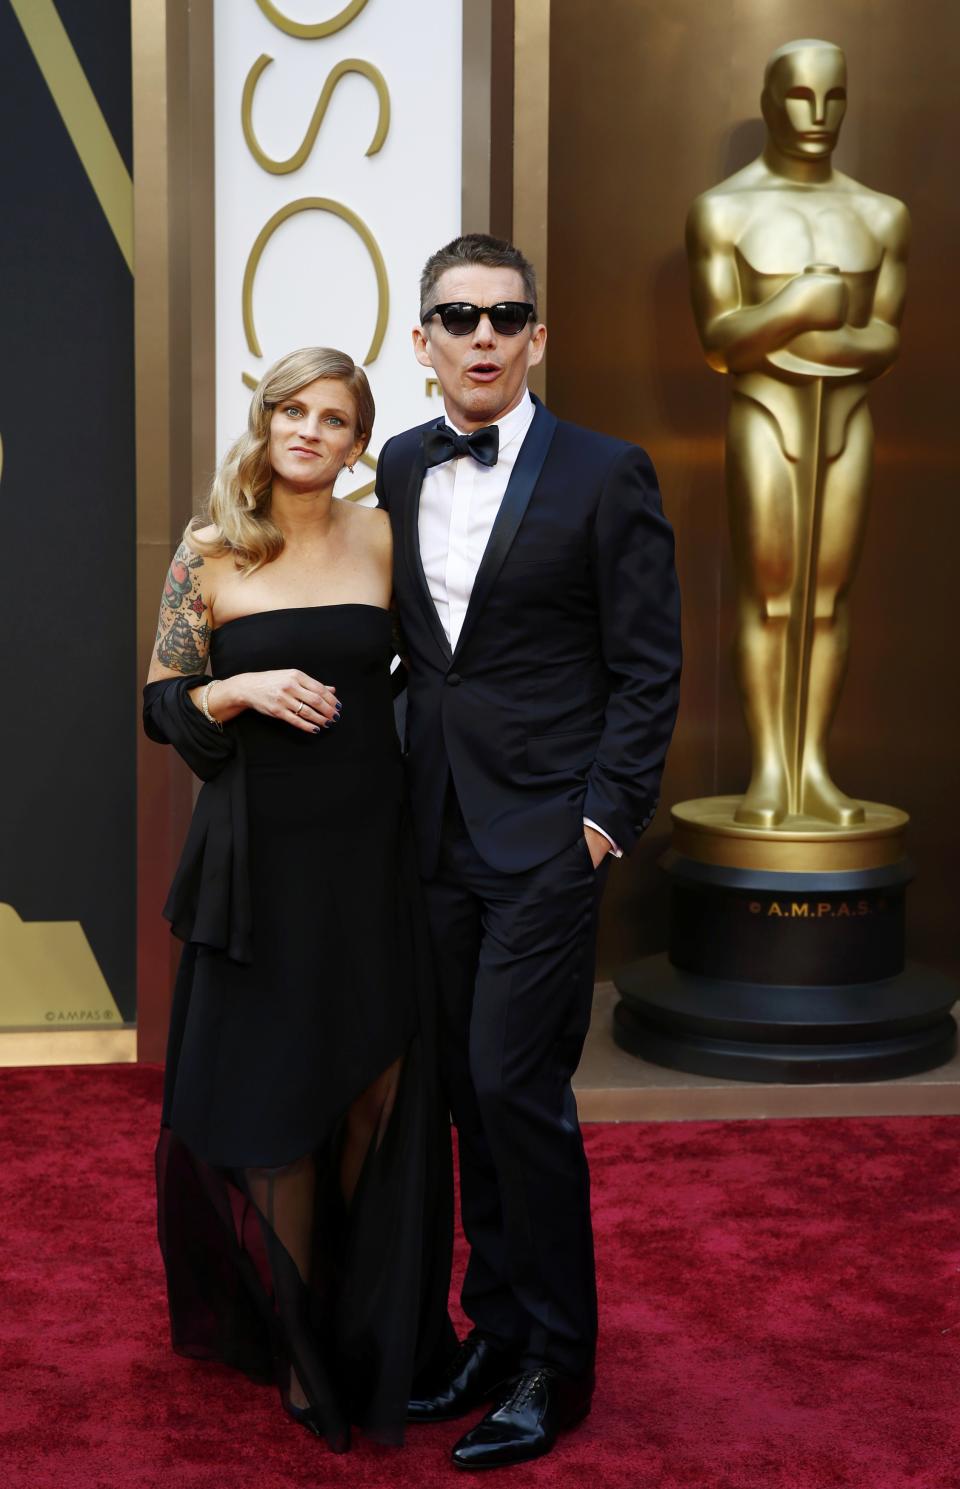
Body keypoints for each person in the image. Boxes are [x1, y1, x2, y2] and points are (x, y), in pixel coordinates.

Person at [376, 233, 682, 1469]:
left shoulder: (609, 473)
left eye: (507, 316)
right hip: (431, 831)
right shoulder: (397, 464)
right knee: (461, 1091)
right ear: (425, 343)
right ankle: (494, 1332)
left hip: (550, 838)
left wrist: (603, 821)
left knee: (514, 1085)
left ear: (539, 336)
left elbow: (650, 666)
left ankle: (559, 1359)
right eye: (459, 317)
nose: (484, 335)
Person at [143, 346, 454, 1453]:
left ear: (360, 440)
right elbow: (159, 698)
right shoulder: (212, 548)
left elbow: (442, 669)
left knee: (374, 1081)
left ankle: (363, 1315)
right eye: (294, 409)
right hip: (262, 863)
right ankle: (297, 1346)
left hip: (372, 854)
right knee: (278, 1104)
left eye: (335, 416)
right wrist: (239, 685)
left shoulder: (382, 534)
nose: (311, 430)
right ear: (265, 419)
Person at [685, 38, 909, 828]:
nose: (818, 116)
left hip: (846, 417)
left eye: (833, 97)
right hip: (765, 417)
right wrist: (799, 312)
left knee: (826, 598)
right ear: (768, 102)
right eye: (799, 98)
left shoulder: (880, 215)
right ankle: (769, 773)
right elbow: (719, 340)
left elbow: (885, 341)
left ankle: (813, 765)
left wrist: (788, 334)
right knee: (774, 596)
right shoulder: (723, 210)